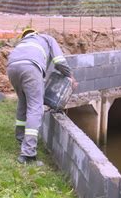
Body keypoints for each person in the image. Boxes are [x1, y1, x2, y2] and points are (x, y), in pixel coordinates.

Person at [7, 27, 73, 164]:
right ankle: (28, 154)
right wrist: (70, 76)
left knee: (23, 102)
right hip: (31, 68)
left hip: (12, 68)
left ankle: (21, 138)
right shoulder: (47, 39)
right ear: (35, 32)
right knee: (35, 107)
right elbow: (59, 61)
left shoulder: (22, 44)